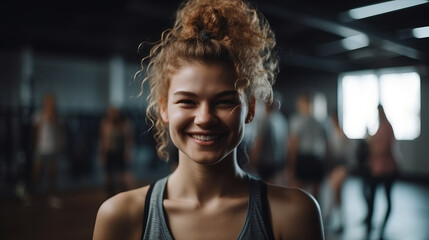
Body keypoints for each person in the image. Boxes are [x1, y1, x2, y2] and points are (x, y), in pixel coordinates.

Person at [93, 0, 324, 239]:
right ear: (164, 107)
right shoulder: (119, 217)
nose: (204, 118)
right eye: (187, 102)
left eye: (224, 101)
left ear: (251, 109)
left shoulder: (294, 214)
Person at [365, 104, 400, 240]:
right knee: (371, 196)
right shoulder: (380, 127)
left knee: (387, 198)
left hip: (386, 169)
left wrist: (372, 148)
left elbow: (384, 148)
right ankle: (370, 223)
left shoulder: (386, 127)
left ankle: (382, 227)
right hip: (377, 169)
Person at [287, 93, 328, 200]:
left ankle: (301, 216)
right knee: (316, 195)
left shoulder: (296, 121)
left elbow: (293, 145)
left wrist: (291, 166)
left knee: (298, 193)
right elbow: (326, 146)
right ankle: (315, 215)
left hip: (303, 159)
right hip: (318, 160)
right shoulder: (321, 123)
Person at [32, 93, 64, 208]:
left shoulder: (57, 116)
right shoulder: (39, 115)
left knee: (52, 173)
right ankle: (32, 195)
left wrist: (60, 144)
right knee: (37, 173)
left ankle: (51, 196)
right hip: (41, 148)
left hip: (53, 148)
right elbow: (35, 133)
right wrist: (36, 147)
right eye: (48, 101)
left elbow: (60, 132)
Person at [249, 94, 288, 185]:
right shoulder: (282, 120)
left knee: (265, 189)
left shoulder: (266, 121)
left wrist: (252, 160)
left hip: (266, 162)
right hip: (279, 161)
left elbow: (259, 142)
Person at [98, 106, 136, 198]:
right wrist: (102, 153)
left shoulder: (124, 124)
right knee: (109, 176)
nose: (113, 115)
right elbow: (102, 140)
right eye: (111, 113)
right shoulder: (105, 124)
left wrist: (128, 152)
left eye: (114, 113)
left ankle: (125, 195)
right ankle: (110, 195)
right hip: (109, 152)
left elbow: (129, 140)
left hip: (120, 152)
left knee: (123, 175)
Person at [323, 111, 351, 233]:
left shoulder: (340, 135)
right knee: (336, 195)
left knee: (336, 194)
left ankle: (332, 219)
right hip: (335, 168)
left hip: (340, 168)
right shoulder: (333, 134)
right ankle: (336, 220)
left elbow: (342, 154)